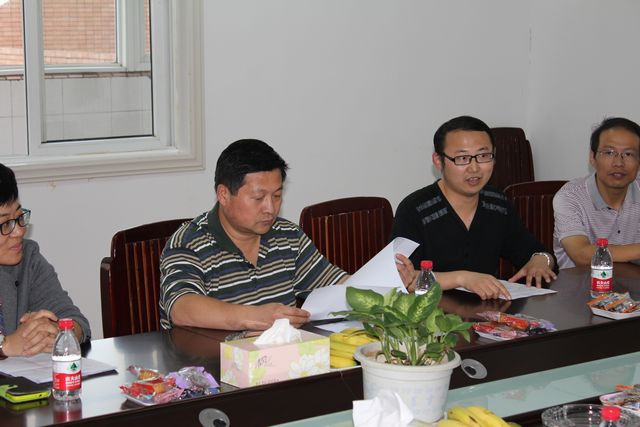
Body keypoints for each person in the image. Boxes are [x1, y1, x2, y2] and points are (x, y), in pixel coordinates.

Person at [159, 139, 350, 331]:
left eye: (276, 196)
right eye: (258, 198)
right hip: (212, 351)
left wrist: (364, 290)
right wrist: (257, 316)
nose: (270, 208)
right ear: (223, 195)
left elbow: (338, 285)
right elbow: (181, 308)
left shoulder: (288, 236)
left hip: (284, 350)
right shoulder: (188, 243)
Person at [392, 116, 557, 300]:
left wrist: (541, 260)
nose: (474, 168)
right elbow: (403, 279)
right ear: (438, 161)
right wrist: (462, 279)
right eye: (462, 158)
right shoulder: (414, 209)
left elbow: (534, 251)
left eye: (483, 156)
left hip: (486, 311)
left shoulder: (497, 204)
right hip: (430, 313)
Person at [0, 164, 90, 359]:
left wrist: (57, 333)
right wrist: (5, 346)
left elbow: (75, 320)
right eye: (5, 224)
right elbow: (10, 345)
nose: (19, 231)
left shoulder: (28, 258)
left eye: (19, 217)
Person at [553, 117, 640, 269]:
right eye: (609, 152)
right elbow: (581, 254)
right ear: (592, 158)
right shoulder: (569, 197)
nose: (618, 163)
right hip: (582, 283)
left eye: (628, 154)